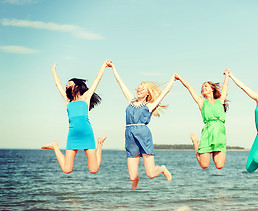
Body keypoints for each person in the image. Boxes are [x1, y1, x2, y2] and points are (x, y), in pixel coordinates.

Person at [107, 61, 173, 190]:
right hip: (129, 134)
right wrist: (113, 68)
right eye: (138, 88)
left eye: (142, 89)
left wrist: (172, 79)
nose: (139, 90)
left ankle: (162, 168)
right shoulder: (130, 100)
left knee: (151, 174)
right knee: (132, 176)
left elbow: (165, 92)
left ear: (147, 93)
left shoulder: (149, 106)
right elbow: (121, 83)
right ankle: (137, 178)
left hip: (143, 134)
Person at [41, 60, 110, 174]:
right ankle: (55, 147)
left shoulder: (86, 97)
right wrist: (53, 71)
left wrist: (103, 66)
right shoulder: (68, 100)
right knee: (67, 170)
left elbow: (97, 79)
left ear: (77, 85)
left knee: (94, 170)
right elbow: (58, 84)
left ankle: (100, 143)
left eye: (70, 83)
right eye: (67, 84)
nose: (67, 85)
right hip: (73, 135)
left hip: (87, 134)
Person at [174, 70, 229, 169]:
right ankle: (196, 143)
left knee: (220, 166)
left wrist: (227, 75)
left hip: (219, 133)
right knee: (204, 165)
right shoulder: (201, 101)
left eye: (205, 86)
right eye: (202, 87)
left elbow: (225, 87)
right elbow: (189, 87)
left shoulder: (220, 100)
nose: (203, 88)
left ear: (212, 89)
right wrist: (180, 78)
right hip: (207, 133)